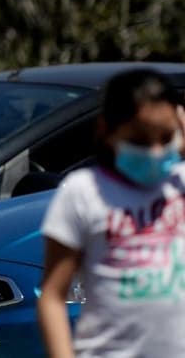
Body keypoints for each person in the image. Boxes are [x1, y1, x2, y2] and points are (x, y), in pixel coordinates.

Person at [38, 69, 185, 357]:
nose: (155, 151)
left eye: (165, 137)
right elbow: (53, 297)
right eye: (141, 140)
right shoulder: (84, 193)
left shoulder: (179, 184)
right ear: (107, 131)